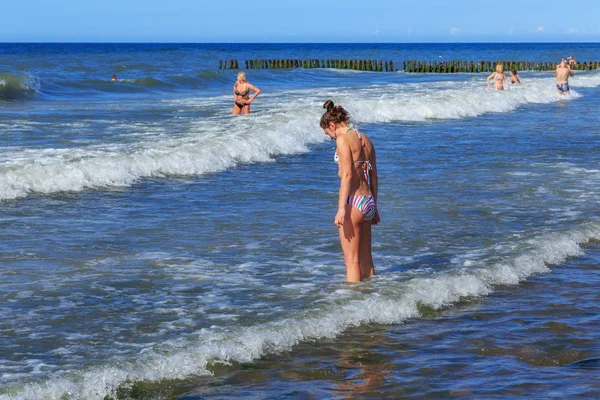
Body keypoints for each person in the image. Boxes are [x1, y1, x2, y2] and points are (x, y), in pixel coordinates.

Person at [320, 100, 379, 282]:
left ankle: (354, 305)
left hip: (353, 203)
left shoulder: (343, 139)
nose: (330, 138)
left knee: (351, 262)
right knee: (366, 260)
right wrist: (374, 206)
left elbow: (346, 176)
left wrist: (341, 209)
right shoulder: (365, 139)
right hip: (368, 202)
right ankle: (373, 297)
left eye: (328, 133)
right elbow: (374, 176)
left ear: (332, 125)